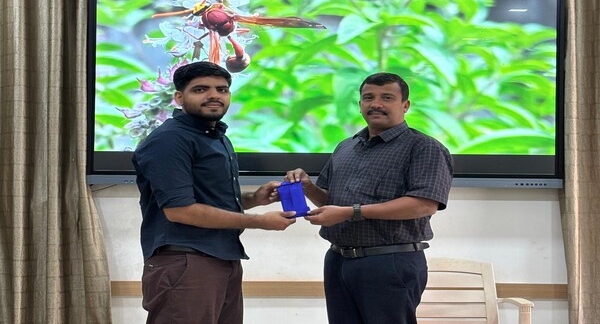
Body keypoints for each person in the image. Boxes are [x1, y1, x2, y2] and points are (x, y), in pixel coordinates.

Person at [132, 61, 296, 324]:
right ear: (179, 97)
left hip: (222, 258)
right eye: (200, 89)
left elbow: (205, 198)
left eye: (222, 89)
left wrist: (254, 199)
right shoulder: (169, 139)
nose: (214, 95)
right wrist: (259, 222)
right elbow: (180, 210)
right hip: (186, 261)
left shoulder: (215, 136)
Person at [284, 72, 453, 324]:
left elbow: (423, 204)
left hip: (389, 262)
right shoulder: (346, 147)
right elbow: (331, 202)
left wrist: (351, 212)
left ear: (405, 105)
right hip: (338, 260)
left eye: (387, 98)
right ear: (360, 104)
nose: (376, 104)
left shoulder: (423, 147)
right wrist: (307, 187)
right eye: (368, 97)